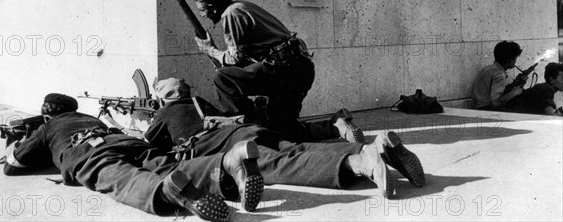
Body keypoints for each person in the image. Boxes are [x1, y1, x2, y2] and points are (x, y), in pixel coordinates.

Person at [2, 93, 266, 221]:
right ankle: (227, 163)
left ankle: (166, 191)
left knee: (120, 176)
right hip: (126, 141)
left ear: (48, 115)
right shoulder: (90, 117)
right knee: (169, 165)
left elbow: (13, 166)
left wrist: (23, 138)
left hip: (88, 151)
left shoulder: (49, 126)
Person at [144, 78, 426, 197]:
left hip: (236, 146)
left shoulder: (165, 113)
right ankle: (375, 147)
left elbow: (150, 144)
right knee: (299, 149)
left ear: (163, 99)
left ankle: (362, 163)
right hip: (248, 130)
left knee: (281, 165)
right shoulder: (198, 102)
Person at [191, 0, 363, 143]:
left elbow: (235, 58)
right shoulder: (243, 6)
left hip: (284, 70)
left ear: (212, 7)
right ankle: (337, 126)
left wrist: (210, 50)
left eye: (202, 10)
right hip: (298, 70)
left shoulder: (231, 13)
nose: (202, 15)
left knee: (223, 77)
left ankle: (243, 130)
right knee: (282, 130)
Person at [471, 41, 529, 110]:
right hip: (486, 110)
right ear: (510, 60)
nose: (515, 61)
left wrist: (515, 84)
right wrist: (515, 92)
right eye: (515, 59)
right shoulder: (499, 74)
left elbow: (496, 91)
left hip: (477, 108)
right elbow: (495, 103)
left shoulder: (488, 69)